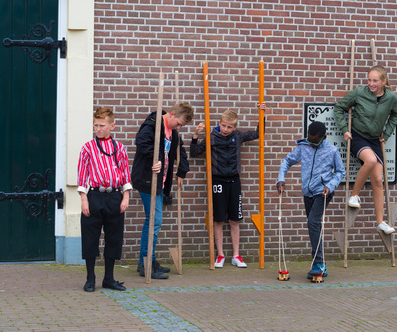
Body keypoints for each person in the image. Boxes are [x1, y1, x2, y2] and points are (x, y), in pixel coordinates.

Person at [190, 105, 265, 268]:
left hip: (234, 181)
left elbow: (258, 133)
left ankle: (236, 255)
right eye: (223, 125)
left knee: (234, 220)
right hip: (217, 181)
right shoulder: (212, 136)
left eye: (229, 127)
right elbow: (194, 152)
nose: (225, 129)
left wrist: (262, 114)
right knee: (218, 220)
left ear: (235, 127)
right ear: (220, 123)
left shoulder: (238, 136)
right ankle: (220, 255)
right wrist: (196, 135)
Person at [334, 65, 397, 234]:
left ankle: (380, 222)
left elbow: (396, 114)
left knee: (378, 181)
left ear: (384, 82)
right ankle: (354, 195)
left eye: (375, 81)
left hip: (375, 140)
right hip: (357, 137)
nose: (371, 84)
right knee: (370, 161)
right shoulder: (359, 93)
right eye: (369, 80)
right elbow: (339, 108)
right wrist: (344, 129)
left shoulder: (391, 97)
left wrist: (386, 133)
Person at [132, 102, 194, 279]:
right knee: (154, 221)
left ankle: (147, 260)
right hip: (147, 180)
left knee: (154, 221)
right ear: (172, 114)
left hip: (160, 182)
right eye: (179, 123)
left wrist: (181, 171)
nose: (179, 127)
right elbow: (141, 142)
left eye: (182, 125)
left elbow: (179, 150)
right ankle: (146, 263)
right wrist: (156, 158)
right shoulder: (153, 124)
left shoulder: (172, 132)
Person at [276, 121, 346, 278]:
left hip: (323, 192)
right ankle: (321, 264)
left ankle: (319, 263)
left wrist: (330, 185)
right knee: (314, 226)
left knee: (313, 222)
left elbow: (340, 172)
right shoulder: (304, 146)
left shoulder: (332, 150)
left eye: (315, 142)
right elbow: (287, 160)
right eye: (309, 140)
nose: (312, 144)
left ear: (324, 138)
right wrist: (281, 178)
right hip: (307, 193)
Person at [77, 107, 132, 292]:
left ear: (112, 126)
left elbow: (125, 174)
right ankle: (90, 278)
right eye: (95, 125)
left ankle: (109, 278)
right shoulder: (87, 148)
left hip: (114, 196)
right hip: (94, 196)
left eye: (102, 125)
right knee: (90, 237)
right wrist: (84, 199)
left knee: (114, 237)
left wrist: (125, 196)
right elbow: (82, 175)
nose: (98, 129)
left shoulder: (120, 148)